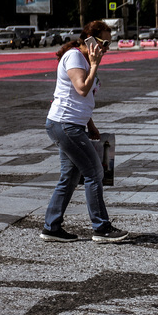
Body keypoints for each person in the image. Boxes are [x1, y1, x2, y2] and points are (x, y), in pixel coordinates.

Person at [40, 20, 129, 243]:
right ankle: (101, 228)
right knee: (94, 172)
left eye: (109, 44)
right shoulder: (75, 57)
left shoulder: (85, 60)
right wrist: (95, 64)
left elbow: (83, 98)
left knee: (69, 176)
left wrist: (90, 125)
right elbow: (81, 89)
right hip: (65, 124)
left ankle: (51, 228)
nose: (107, 49)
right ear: (90, 40)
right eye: (104, 43)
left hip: (73, 125)